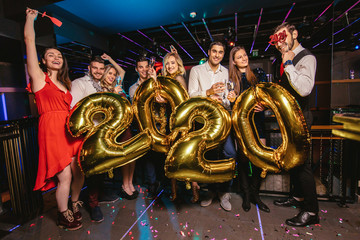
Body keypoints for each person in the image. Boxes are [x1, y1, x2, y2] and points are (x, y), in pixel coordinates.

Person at [24, 8, 84, 230]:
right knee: (65, 175)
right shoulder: (39, 79)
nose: (56, 58)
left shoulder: (66, 84)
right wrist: (30, 18)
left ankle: (74, 203)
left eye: (59, 55)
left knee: (78, 171)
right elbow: (29, 40)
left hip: (68, 129)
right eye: (51, 55)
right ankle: (63, 213)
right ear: (43, 61)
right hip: (51, 130)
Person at [271, 22, 319, 227]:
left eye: (283, 37)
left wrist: (289, 63)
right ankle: (298, 197)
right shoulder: (280, 60)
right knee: (292, 161)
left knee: (302, 165)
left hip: (301, 117)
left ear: (294, 34)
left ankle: (311, 211)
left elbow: (305, 89)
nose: (280, 43)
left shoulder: (306, 57)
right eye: (276, 40)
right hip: (287, 118)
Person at [70, 54, 119, 223]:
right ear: (89, 68)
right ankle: (93, 204)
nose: (98, 71)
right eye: (95, 68)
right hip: (87, 135)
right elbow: (73, 110)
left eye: (101, 68)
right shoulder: (79, 84)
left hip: (102, 133)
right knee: (92, 171)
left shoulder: (100, 86)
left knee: (100, 169)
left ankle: (98, 196)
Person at [188, 41, 236, 211]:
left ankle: (224, 192)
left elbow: (227, 97)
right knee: (208, 157)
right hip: (204, 121)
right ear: (208, 52)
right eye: (214, 51)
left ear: (223, 54)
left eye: (220, 52)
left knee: (229, 153)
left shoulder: (226, 72)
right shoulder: (196, 70)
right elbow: (191, 96)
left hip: (223, 119)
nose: (217, 55)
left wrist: (230, 98)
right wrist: (208, 93)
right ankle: (210, 191)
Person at [149, 47, 200, 203]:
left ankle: (193, 190)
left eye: (173, 63)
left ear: (178, 65)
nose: (170, 66)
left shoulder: (178, 79)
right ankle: (175, 191)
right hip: (171, 124)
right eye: (167, 63)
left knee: (184, 157)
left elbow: (180, 102)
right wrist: (154, 79)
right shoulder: (167, 80)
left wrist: (164, 98)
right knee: (171, 158)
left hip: (182, 125)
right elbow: (158, 95)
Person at [228, 46, 270, 213]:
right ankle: (246, 194)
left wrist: (264, 105)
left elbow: (267, 95)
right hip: (241, 124)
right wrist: (231, 100)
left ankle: (255, 193)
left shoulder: (258, 74)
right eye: (239, 57)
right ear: (234, 61)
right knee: (243, 160)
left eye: (244, 55)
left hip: (258, 122)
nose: (244, 58)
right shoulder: (231, 79)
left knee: (260, 159)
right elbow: (232, 104)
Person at [99, 56, 138, 200]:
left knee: (132, 156)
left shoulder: (118, 85)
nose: (112, 76)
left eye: (114, 74)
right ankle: (124, 185)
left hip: (127, 125)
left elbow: (122, 71)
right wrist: (114, 94)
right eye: (109, 73)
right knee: (125, 157)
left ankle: (129, 182)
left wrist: (110, 58)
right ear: (104, 74)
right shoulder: (102, 89)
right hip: (116, 129)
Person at [129, 56, 161, 200]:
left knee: (160, 154)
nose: (143, 70)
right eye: (140, 67)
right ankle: (152, 184)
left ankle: (163, 182)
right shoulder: (133, 88)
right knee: (148, 156)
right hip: (143, 126)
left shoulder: (157, 82)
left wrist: (154, 81)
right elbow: (139, 106)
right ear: (136, 69)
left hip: (160, 123)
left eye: (145, 66)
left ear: (150, 67)